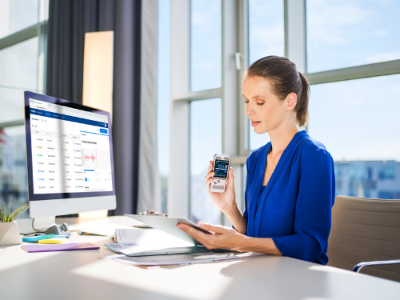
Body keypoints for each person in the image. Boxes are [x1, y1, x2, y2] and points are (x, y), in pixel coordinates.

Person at [177, 56, 335, 265]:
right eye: (247, 100)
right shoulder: (256, 159)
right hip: (260, 271)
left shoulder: (314, 157)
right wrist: (229, 207)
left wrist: (241, 243)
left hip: (300, 279)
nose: (248, 111)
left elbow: (310, 245)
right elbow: (254, 233)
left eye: (259, 102)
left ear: (289, 101)